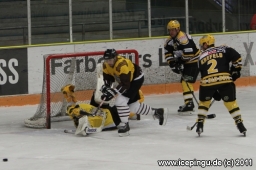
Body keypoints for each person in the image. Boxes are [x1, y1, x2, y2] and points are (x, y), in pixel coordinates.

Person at [101, 49, 168, 137]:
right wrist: (107, 87)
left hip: (136, 79)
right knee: (132, 106)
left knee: (120, 100)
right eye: (107, 60)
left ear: (115, 58)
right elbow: (108, 78)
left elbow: (125, 85)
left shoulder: (122, 65)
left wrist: (113, 92)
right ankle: (157, 112)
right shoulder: (105, 65)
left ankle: (125, 125)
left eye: (110, 60)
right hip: (128, 81)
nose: (108, 62)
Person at [194, 34, 247, 136]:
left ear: (206, 44)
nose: (201, 47)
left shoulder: (200, 57)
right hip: (224, 79)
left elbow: (203, 73)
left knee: (204, 103)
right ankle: (240, 124)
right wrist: (235, 70)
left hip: (207, 82)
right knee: (231, 103)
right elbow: (237, 58)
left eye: (202, 45)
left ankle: (200, 124)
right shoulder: (223, 48)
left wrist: (213, 92)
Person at [164, 20, 200, 115]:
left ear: (178, 29)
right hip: (187, 63)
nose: (171, 32)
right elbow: (167, 53)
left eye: (173, 30)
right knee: (185, 81)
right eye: (170, 30)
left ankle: (189, 104)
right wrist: (172, 63)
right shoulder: (169, 41)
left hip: (194, 61)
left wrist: (179, 62)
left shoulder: (183, 38)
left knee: (186, 81)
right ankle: (189, 103)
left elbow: (189, 53)